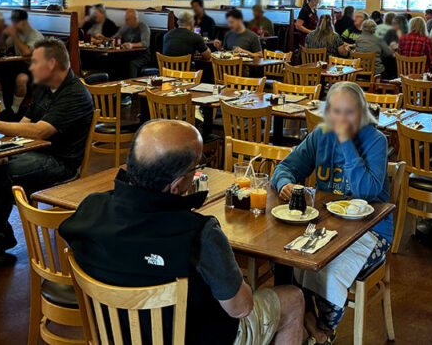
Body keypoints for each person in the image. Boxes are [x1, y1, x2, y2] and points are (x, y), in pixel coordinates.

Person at [59, 120, 304, 345]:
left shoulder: (90, 207)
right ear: (177, 185)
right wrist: (244, 283)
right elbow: (240, 308)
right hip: (196, 337)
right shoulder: (199, 233)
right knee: (292, 298)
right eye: (196, 168)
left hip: (114, 334)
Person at [271, 82, 392, 343]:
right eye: (335, 111)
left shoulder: (376, 141)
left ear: (361, 113)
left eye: (348, 112)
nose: (341, 119)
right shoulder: (319, 135)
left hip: (372, 230)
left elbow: (366, 192)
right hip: (326, 224)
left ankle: (323, 328)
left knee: (329, 272)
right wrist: (286, 184)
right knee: (284, 258)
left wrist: (346, 143)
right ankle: (316, 330)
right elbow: (285, 168)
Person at [0, 39, 94, 263]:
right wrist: (0, 150)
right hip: (34, 152)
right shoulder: (44, 86)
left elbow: (40, 131)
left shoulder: (75, 93)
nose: (30, 67)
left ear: (51, 64)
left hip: (60, 162)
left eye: (35, 62)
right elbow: (24, 123)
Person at [3, 9, 45, 113]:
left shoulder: (35, 35)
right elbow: (4, 47)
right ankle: (1, 107)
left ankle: (15, 109)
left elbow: (27, 52)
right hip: (20, 66)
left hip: (35, 69)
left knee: (21, 78)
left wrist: (14, 35)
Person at [113, 9, 151, 78]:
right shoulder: (126, 26)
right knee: (114, 60)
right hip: (129, 54)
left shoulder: (143, 27)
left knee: (132, 64)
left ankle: (131, 85)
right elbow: (115, 37)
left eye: (128, 20)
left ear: (135, 19)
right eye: (125, 19)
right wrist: (103, 39)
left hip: (142, 56)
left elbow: (145, 43)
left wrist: (131, 45)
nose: (126, 22)